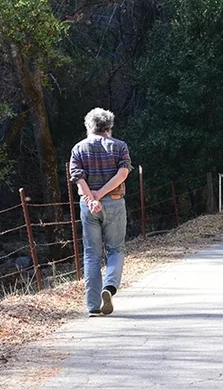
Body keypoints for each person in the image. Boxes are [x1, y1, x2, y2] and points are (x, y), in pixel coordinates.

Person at [69, 108, 133, 316]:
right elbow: (123, 173)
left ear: (89, 126)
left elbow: (78, 177)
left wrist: (91, 199)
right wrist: (102, 193)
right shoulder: (120, 147)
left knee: (92, 254)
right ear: (109, 127)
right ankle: (110, 287)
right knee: (116, 249)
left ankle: (93, 306)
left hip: (89, 208)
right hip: (114, 202)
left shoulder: (78, 148)